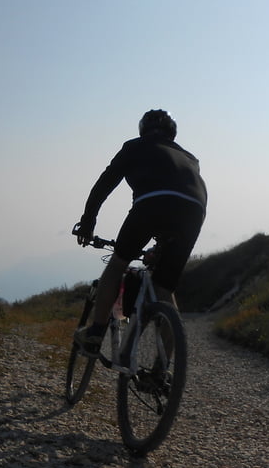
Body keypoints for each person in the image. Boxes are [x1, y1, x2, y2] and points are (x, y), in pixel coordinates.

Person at [72, 109, 207, 354]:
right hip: (194, 211)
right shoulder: (190, 158)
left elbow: (103, 186)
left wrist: (88, 223)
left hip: (152, 204)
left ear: (143, 129)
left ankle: (95, 333)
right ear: (172, 134)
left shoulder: (135, 146)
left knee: (118, 264)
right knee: (164, 287)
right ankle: (162, 368)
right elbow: (177, 202)